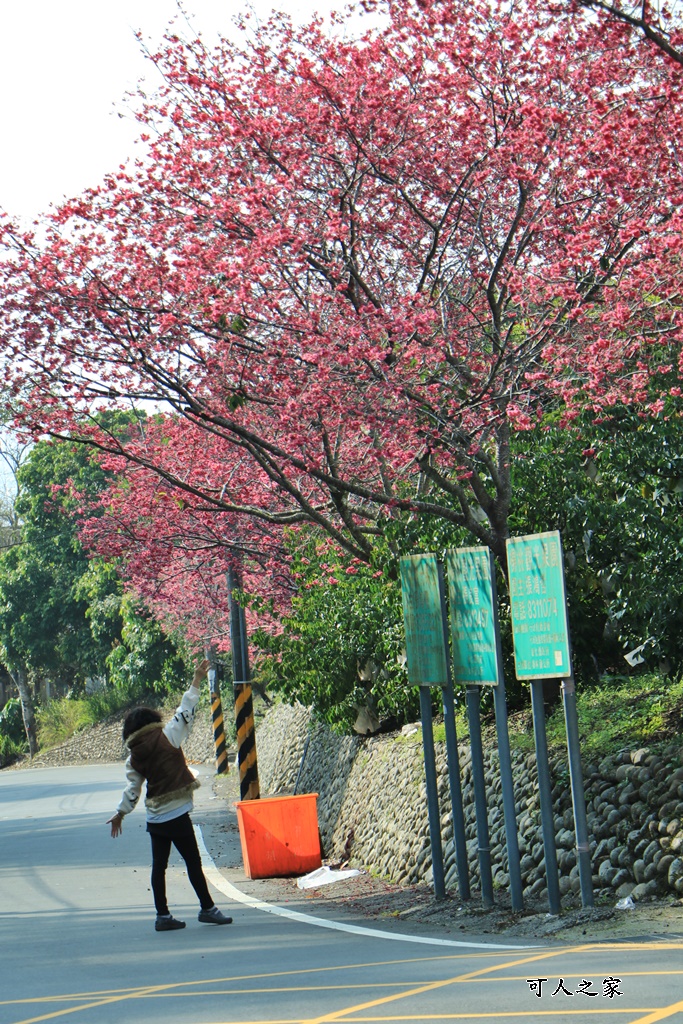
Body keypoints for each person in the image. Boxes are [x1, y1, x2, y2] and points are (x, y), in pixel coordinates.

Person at [106, 659, 233, 931]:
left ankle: (162, 916)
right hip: (176, 812)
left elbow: (132, 790)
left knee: (158, 868)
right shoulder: (168, 735)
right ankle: (208, 909)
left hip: (156, 818)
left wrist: (120, 814)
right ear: (152, 720)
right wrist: (196, 680)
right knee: (193, 863)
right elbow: (185, 708)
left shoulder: (133, 757)